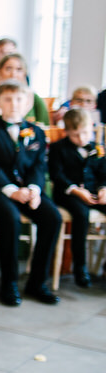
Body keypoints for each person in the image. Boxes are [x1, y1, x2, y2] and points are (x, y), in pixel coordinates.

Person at [0, 80, 61, 306]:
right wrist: (11, 191)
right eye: (8, 99)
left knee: (52, 217)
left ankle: (37, 282)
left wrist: (33, 190)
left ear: (28, 104)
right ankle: (9, 283)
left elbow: (38, 167)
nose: (14, 104)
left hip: (27, 189)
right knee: (10, 218)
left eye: (19, 99)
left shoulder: (36, 132)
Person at [49, 108, 106, 288]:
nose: (81, 139)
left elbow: (103, 173)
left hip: (94, 193)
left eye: (85, 133)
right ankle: (80, 267)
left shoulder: (97, 148)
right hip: (68, 194)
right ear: (66, 132)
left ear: (92, 128)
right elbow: (57, 175)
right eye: (75, 135)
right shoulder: (58, 148)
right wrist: (75, 190)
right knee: (81, 215)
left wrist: (103, 189)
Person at [0, 53, 50, 125]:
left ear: (24, 74)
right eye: (8, 69)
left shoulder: (34, 97)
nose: (13, 74)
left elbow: (45, 128)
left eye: (19, 69)